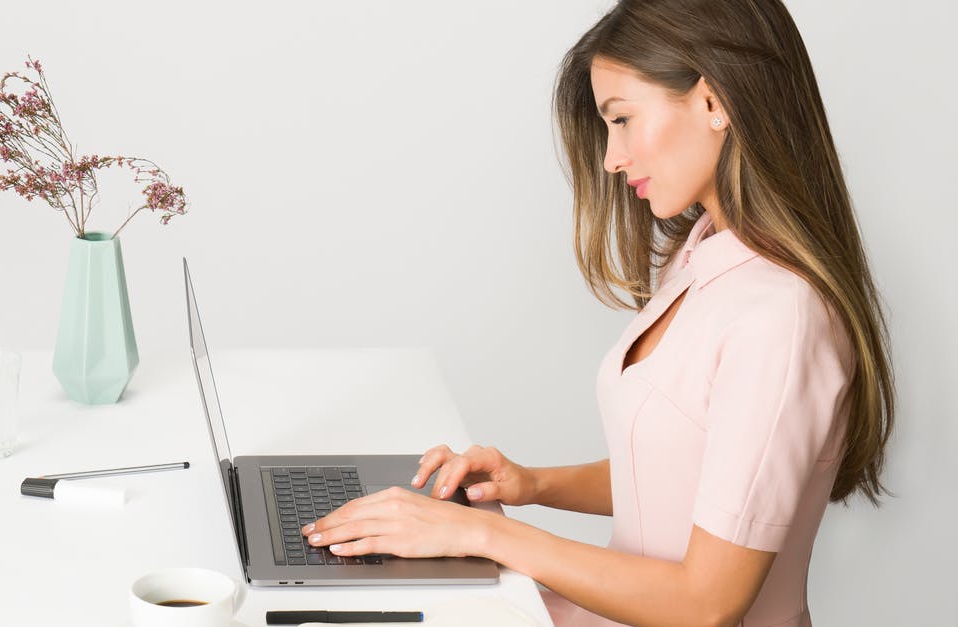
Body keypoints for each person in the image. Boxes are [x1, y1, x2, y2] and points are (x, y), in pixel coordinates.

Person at [301, 0, 896, 625]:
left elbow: (708, 604)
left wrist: (481, 534)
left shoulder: (781, 316)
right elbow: (681, 470)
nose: (611, 158)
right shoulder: (699, 258)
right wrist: (531, 485)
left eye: (622, 119)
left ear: (714, 101)